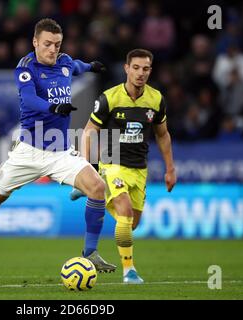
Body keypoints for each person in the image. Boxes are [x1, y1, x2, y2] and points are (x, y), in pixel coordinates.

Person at [0, 18, 116, 272]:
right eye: (47, 44)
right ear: (35, 42)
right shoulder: (25, 68)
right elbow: (29, 99)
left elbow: (76, 66)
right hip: (29, 151)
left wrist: (91, 65)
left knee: (96, 187)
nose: (53, 49)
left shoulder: (65, 62)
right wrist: (53, 107)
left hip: (59, 150)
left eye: (57, 44)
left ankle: (90, 252)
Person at [75, 49, 177, 284]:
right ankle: (129, 271)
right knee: (125, 210)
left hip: (139, 168)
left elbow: (163, 135)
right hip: (112, 163)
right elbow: (90, 130)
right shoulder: (109, 98)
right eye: (136, 68)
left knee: (132, 223)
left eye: (146, 69)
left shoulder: (156, 99)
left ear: (150, 71)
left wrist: (170, 168)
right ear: (126, 69)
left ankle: (96, 205)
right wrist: (85, 165)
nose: (141, 73)